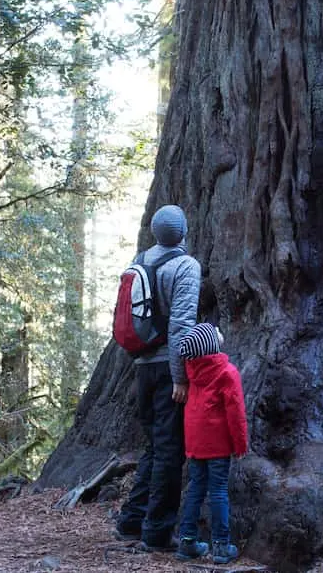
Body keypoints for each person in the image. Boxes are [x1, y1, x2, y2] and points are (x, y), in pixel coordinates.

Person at [116, 204, 201, 551]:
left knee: (154, 446)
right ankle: (157, 532)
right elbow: (182, 325)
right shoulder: (185, 266)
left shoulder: (138, 262)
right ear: (182, 233)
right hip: (168, 369)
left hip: (141, 367)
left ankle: (131, 520)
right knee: (169, 451)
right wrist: (181, 376)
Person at [174, 323, 248, 564]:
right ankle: (221, 546)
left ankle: (186, 542)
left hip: (195, 443)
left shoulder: (192, 371)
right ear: (211, 345)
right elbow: (235, 412)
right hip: (218, 445)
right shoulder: (227, 372)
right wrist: (240, 444)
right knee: (218, 492)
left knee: (195, 489)